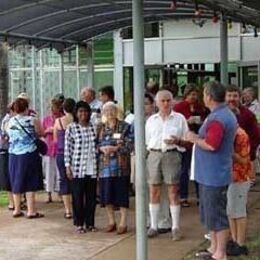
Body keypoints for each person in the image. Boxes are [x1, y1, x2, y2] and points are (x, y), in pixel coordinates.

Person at [186, 81, 237, 260]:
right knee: (209, 213)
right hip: (210, 173)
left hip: (214, 174)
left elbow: (211, 144)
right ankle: (213, 247)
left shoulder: (218, 118)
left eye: (204, 94)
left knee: (217, 214)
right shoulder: (220, 114)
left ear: (209, 96)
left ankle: (220, 253)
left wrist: (193, 138)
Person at [146, 90, 189, 240]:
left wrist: (177, 141)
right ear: (156, 103)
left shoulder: (179, 118)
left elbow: (187, 139)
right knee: (154, 190)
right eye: (162, 101)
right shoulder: (151, 120)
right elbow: (147, 141)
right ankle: (153, 225)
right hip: (154, 154)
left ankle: (175, 227)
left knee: (173, 191)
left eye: (168, 100)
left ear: (172, 102)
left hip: (172, 154)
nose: (165, 103)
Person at [98, 102, 133, 235]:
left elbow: (130, 145)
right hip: (104, 168)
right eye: (106, 110)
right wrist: (101, 148)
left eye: (112, 110)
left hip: (121, 167)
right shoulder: (100, 128)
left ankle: (123, 222)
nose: (109, 113)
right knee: (107, 195)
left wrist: (116, 148)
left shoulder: (125, 126)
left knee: (122, 195)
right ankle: (111, 221)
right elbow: (95, 145)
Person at [6, 98, 44, 218]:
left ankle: (16, 209)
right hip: (29, 154)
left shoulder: (9, 122)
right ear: (27, 108)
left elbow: (8, 134)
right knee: (30, 181)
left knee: (15, 179)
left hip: (13, 155)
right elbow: (41, 133)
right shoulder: (32, 120)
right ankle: (31, 210)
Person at [64, 101, 97, 233]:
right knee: (77, 197)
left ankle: (90, 223)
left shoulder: (93, 127)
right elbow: (68, 148)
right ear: (76, 114)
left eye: (85, 111)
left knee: (91, 197)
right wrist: (68, 166)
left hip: (92, 166)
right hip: (77, 167)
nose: (83, 114)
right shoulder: (71, 128)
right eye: (80, 112)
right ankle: (79, 223)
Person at [174, 84, 207, 207]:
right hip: (185, 142)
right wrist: (187, 121)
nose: (194, 97)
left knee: (197, 169)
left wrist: (200, 121)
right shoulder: (179, 107)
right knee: (184, 170)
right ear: (186, 94)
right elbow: (176, 124)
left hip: (198, 141)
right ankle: (183, 196)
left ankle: (200, 196)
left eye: (195, 94)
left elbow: (207, 120)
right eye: (191, 94)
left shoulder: (201, 107)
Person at [225, 85, 260, 185]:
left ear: (240, 97)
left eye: (235, 96)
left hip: (241, 161)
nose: (232, 99)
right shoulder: (219, 113)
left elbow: (256, 136)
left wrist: (248, 153)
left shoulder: (248, 115)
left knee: (238, 193)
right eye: (229, 96)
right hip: (223, 162)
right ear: (225, 97)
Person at [226, 125, 251, 256]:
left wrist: (229, 152)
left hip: (240, 178)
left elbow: (244, 160)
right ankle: (234, 240)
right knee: (231, 211)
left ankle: (240, 244)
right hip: (230, 177)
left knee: (239, 211)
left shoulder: (241, 135)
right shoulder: (229, 134)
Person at [54, 98, 76, 219]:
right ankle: (77, 206)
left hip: (61, 153)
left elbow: (56, 140)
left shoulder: (58, 121)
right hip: (75, 153)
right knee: (76, 180)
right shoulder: (77, 121)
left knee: (64, 180)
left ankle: (68, 210)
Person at [42, 98, 63, 203]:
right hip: (48, 148)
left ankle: (60, 193)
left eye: (54, 107)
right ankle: (49, 194)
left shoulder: (62, 119)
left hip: (59, 148)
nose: (52, 109)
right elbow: (42, 133)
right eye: (50, 107)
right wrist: (47, 130)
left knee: (59, 172)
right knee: (49, 172)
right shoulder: (46, 119)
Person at [0, 103, 14, 210]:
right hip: (7, 151)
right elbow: (5, 137)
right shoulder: (7, 121)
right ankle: (11, 202)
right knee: (9, 176)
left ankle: (15, 201)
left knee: (12, 176)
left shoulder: (11, 119)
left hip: (10, 150)